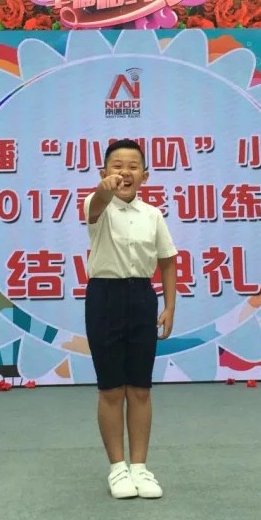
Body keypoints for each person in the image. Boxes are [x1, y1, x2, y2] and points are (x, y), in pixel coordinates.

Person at [83, 138, 178, 499]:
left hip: (142, 298)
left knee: (140, 388)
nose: (125, 172)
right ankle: (117, 468)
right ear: (104, 172)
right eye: (117, 166)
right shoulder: (96, 205)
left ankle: (139, 467)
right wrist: (104, 189)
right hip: (104, 297)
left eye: (133, 166)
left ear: (145, 175)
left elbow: (167, 261)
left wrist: (169, 306)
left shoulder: (153, 215)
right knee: (111, 389)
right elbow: (98, 202)